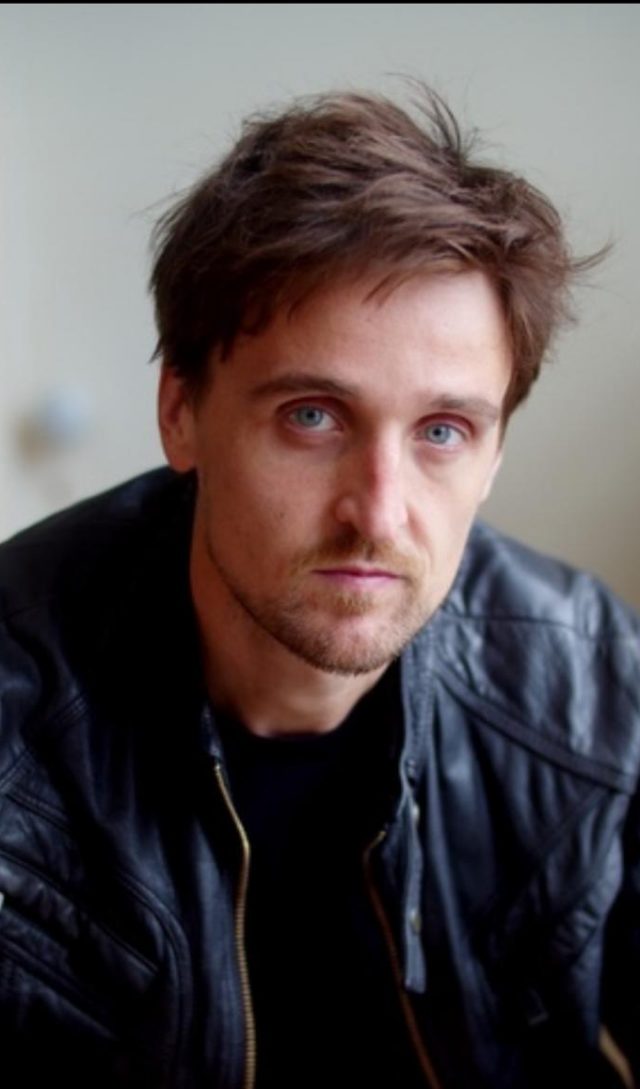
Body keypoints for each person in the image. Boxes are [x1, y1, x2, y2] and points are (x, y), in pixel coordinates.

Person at [0, 83, 638, 1089]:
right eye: (312, 416)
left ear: (494, 454)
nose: (378, 512)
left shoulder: (588, 680)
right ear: (181, 412)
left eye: (442, 431)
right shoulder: (16, 725)